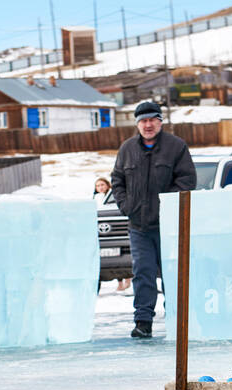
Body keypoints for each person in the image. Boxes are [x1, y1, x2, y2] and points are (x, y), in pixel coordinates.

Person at [110, 101, 196, 338]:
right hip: (139, 225)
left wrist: (169, 206)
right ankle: (143, 321)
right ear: (137, 124)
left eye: (152, 120)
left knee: (173, 273)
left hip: (169, 226)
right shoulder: (127, 149)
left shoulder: (176, 147)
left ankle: (177, 321)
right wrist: (126, 205)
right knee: (143, 272)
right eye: (143, 121)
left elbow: (187, 180)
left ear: (160, 121)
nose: (148, 125)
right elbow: (117, 180)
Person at [93, 176, 132, 292]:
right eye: (97, 185)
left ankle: (126, 282)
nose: (100, 187)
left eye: (102, 185)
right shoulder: (97, 200)